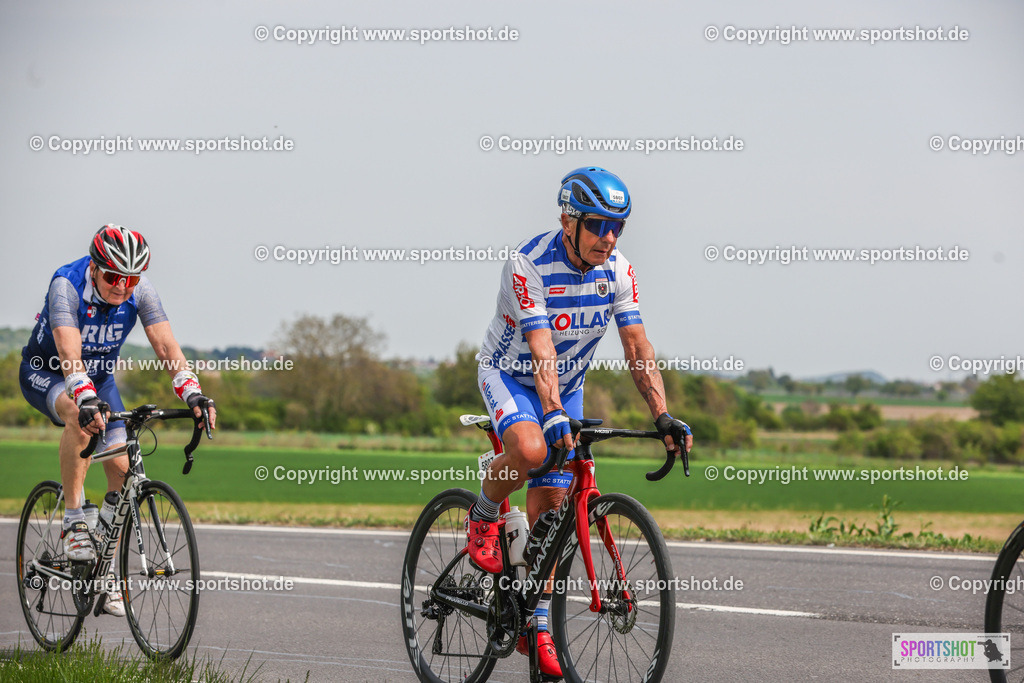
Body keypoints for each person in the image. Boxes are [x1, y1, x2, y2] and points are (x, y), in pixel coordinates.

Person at [470, 167, 693, 676]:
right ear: (567, 220)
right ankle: (484, 511)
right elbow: (540, 347)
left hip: (565, 386)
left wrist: (661, 413)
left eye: (618, 226)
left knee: (554, 506)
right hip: (511, 374)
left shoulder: (618, 272)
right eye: (597, 225)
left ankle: (540, 623)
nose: (608, 237)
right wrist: (548, 415)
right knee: (530, 452)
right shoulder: (528, 264)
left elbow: (637, 347)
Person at [20, 225, 216, 617]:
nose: (122, 287)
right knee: (80, 414)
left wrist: (191, 391)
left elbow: (164, 345)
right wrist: (84, 395)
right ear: (95, 267)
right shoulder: (67, 285)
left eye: (131, 279)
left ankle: (104, 571)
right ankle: (75, 520)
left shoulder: (141, 292)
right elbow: (68, 351)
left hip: (101, 381)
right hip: (48, 372)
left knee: (122, 469)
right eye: (113, 277)